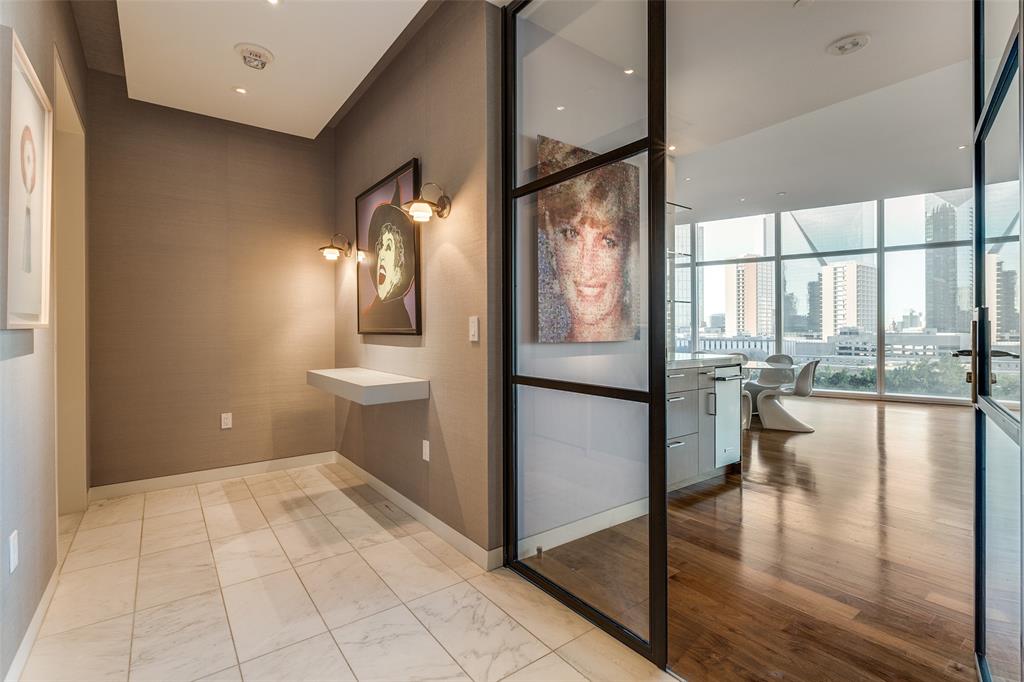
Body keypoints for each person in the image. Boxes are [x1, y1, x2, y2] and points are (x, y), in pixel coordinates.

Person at [538, 136, 639, 343]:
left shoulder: (644, 351)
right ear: (551, 242)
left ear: (628, 252)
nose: (587, 267)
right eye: (572, 234)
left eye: (607, 240)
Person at [361, 180, 416, 332]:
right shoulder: (368, 316)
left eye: (389, 247)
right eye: (380, 246)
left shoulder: (401, 320)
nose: (381, 256)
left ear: (400, 265)